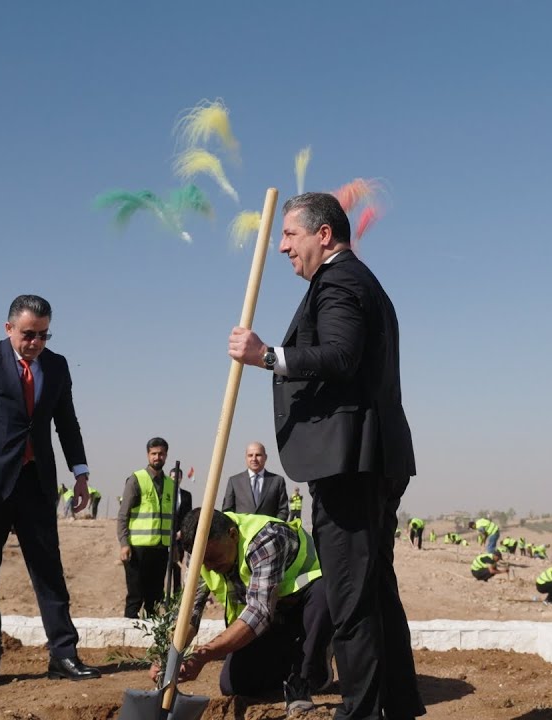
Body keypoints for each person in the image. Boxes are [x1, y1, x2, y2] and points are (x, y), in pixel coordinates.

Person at [227, 192, 423, 720]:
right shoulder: (357, 281)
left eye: (290, 236)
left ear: (324, 235)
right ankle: (395, 708)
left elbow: (339, 355)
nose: (282, 247)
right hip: (368, 459)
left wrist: (265, 355)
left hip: (350, 464)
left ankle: (361, 713)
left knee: (349, 599)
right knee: (374, 592)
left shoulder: (338, 281)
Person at [0, 294, 98, 686]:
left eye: (44, 335)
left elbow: (68, 422)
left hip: (36, 484)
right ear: (8, 328)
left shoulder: (56, 366)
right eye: (29, 334)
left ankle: (63, 655)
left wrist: (80, 473)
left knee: (49, 572)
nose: (36, 343)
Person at [165, 509, 332, 713]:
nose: (209, 567)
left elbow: (259, 613)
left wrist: (203, 655)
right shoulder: (203, 556)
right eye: (204, 562)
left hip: (303, 608)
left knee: (323, 594)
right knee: (233, 685)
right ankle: (288, 664)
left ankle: (307, 675)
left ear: (233, 535)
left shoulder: (266, 539)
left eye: (214, 558)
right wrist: (170, 655)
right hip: (271, 623)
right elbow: (190, 614)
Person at [117, 437, 174, 619]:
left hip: (160, 548)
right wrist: (124, 543)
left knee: (155, 597)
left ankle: (149, 639)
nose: (157, 457)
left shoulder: (171, 485)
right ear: (148, 455)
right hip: (137, 548)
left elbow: (173, 520)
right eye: (154, 454)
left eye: (161, 454)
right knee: (135, 595)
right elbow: (123, 515)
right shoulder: (136, 480)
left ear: (166, 455)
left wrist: (175, 547)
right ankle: (127, 640)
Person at [222, 442, 290, 520]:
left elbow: (283, 510)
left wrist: (274, 527)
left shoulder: (277, 481)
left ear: (265, 457)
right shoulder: (234, 481)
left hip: (270, 530)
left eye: (258, 455)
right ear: (246, 458)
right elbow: (227, 511)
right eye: (250, 455)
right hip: (242, 531)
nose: (254, 459)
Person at [167, 481, 193, 598]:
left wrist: (182, 531)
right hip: (166, 536)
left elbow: (188, 516)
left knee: (177, 566)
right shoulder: (166, 494)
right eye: (172, 477)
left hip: (179, 537)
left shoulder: (186, 495)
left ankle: (176, 595)